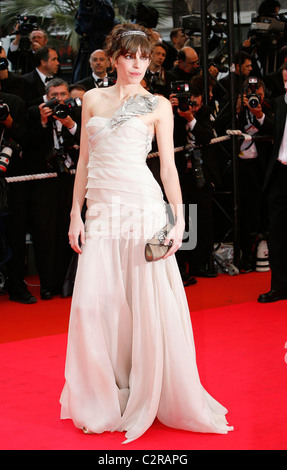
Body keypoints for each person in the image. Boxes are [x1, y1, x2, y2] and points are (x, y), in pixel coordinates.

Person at [60, 22, 233, 444]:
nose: (138, 64)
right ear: (114, 57)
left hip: (142, 208)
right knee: (94, 306)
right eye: (129, 56)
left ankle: (150, 389)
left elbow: (169, 167)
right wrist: (75, 215)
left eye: (143, 57)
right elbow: (84, 160)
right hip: (101, 211)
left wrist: (178, 220)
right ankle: (106, 392)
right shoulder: (92, 99)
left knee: (146, 302)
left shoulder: (157, 104)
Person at [257, 89, 287, 303]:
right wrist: (259, 115)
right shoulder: (279, 102)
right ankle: (279, 286)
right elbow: (275, 133)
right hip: (280, 173)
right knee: (276, 233)